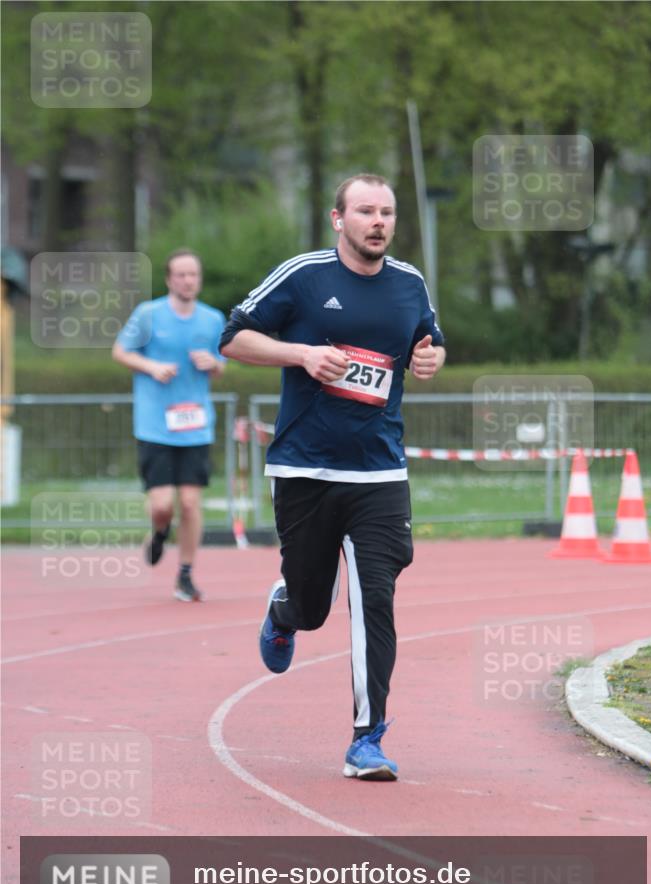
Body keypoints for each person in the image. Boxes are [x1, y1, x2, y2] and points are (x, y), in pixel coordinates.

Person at [220, 174, 446, 780]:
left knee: (377, 596)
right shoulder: (304, 275)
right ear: (337, 219)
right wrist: (301, 355)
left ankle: (366, 738)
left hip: (379, 473)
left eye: (388, 212)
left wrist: (429, 358)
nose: (378, 221)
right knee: (315, 605)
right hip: (305, 467)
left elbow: (430, 342)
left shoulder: (409, 283)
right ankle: (285, 609)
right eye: (366, 211)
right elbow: (232, 338)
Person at [112, 249, 226, 602]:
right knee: (163, 505)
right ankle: (159, 533)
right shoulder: (148, 315)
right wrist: (151, 367)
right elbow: (120, 351)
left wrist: (213, 363)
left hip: (195, 424)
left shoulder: (212, 319)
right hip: (155, 423)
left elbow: (221, 365)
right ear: (168, 279)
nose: (188, 280)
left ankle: (186, 574)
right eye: (181, 275)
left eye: (194, 274)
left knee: (190, 503)